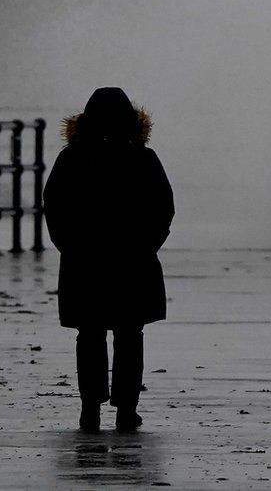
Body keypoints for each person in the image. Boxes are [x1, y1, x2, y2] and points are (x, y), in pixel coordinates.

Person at [44, 87, 175, 432]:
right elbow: (163, 210)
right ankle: (126, 409)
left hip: (84, 262)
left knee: (89, 335)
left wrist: (70, 248)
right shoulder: (144, 159)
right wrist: (146, 247)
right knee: (130, 335)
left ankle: (90, 408)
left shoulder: (70, 159)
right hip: (133, 262)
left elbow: (55, 209)